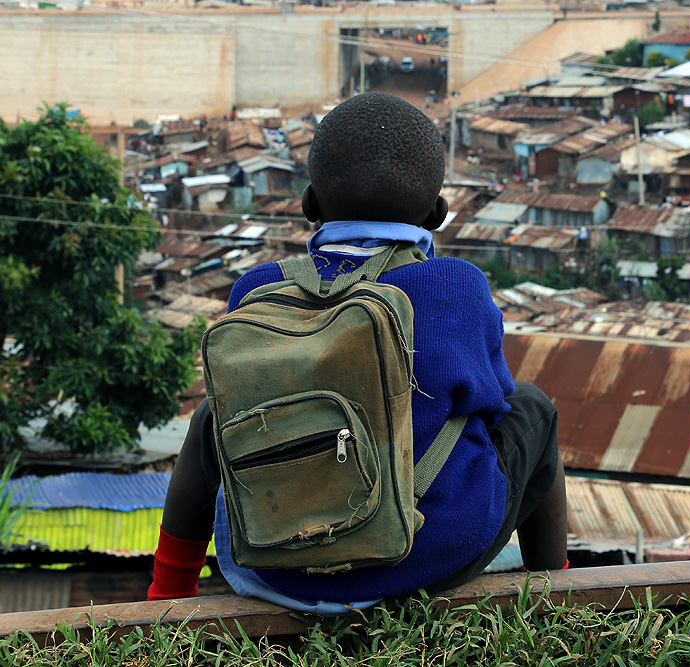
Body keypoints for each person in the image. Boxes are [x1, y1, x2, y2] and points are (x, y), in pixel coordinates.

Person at [148, 92, 568, 614]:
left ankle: (166, 592)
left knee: (211, 420)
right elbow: (495, 401)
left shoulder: (256, 290)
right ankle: (556, 593)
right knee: (535, 410)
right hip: (427, 558)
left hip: (276, 564)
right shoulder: (456, 286)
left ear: (309, 206)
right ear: (437, 214)